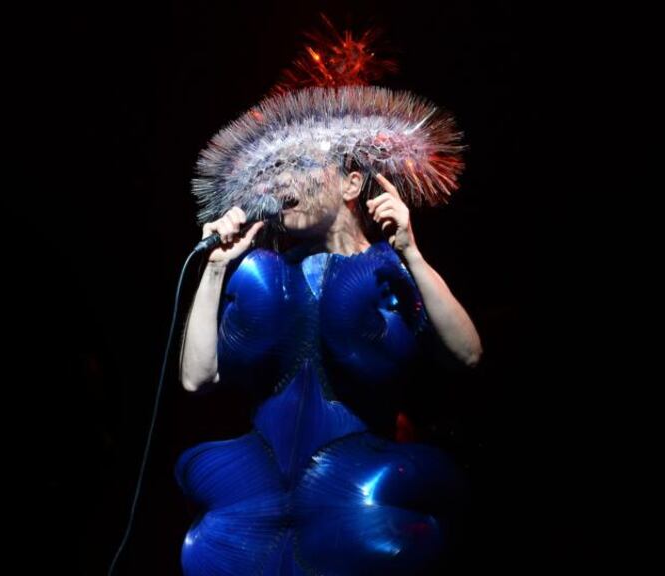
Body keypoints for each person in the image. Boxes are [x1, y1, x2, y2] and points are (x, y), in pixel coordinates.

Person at [176, 83, 482, 575]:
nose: (280, 182)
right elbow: (195, 378)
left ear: (351, 184)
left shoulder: (386, 269)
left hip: (357, 511)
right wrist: (214, 270)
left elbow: (467, 354)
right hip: (260, 515)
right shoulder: (263, 276)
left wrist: (412, 254)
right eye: (274, 171)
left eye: (298, 166)